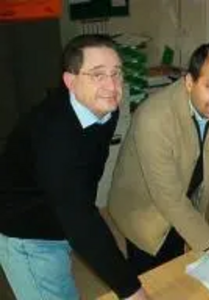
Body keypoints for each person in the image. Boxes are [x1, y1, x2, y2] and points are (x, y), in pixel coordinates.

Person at [0, 34, 148, 300]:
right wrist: (131, 290)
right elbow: (80, 218)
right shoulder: (54, 135)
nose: (111, 85)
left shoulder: (106, 109)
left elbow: (85, 175)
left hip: (57, 215)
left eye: (117, 73)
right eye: (97, 74)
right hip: (27, 233)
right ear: (70, 81)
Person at [108, 41, 209, 275]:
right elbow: (168, 198)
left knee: (179, 267)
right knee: (152, 277)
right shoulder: (153, 118)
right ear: (189, 82)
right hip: (145, 209)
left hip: (186, 197)